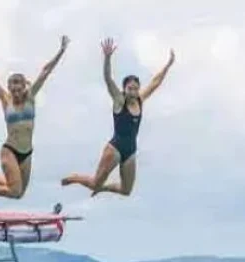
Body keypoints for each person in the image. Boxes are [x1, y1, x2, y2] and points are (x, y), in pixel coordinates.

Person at [61, 38, 176, 196]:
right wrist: (107, 58)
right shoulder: (118, 100)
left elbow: (155, 83)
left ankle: (103, 188)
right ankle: (76, 178)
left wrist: (168, 65)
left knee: (126, 190)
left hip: (130, 150)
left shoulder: (139, 100)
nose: (133, 92)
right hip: (114, 149)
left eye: (136, 89)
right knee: (94, 184)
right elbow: (108, 80)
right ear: (124, 89)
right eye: (130, 89)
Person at [0, 35, 69, 204]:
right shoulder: (5, 100)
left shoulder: (31, 98)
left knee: (18, 193)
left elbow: (45, 72)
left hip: (27, 153)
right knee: (14, 190)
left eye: (17, 84)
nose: (14, 87)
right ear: (8, 88)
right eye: (11, 84)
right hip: (10, 151)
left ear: (24, 85)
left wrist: (61, 51)